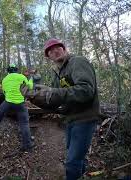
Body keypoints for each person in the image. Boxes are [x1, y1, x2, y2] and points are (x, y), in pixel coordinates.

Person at [29, 38, 100, 179]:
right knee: (75, 156)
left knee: (72, 161)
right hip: (69, 119)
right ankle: (82, 175)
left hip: (84, 118)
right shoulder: (59, 73)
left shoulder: (77, 62)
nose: (54, 51)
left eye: (57, 47)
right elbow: (56, 100)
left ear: (64, 48)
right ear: (48, 56)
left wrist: (52, 92)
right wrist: (35, 97)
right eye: (50, 51)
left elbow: (86, 90)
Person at [0, 64, 35, 152]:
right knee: (24, 124)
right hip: (20, 103)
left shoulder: (4, 79)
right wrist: (31, 79)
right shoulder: (21, 76)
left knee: (0, 112)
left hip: (8, 102)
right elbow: (30, 87)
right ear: (16, 70)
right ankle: (27, 145)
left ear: (8, 71)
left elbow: (4, 92)